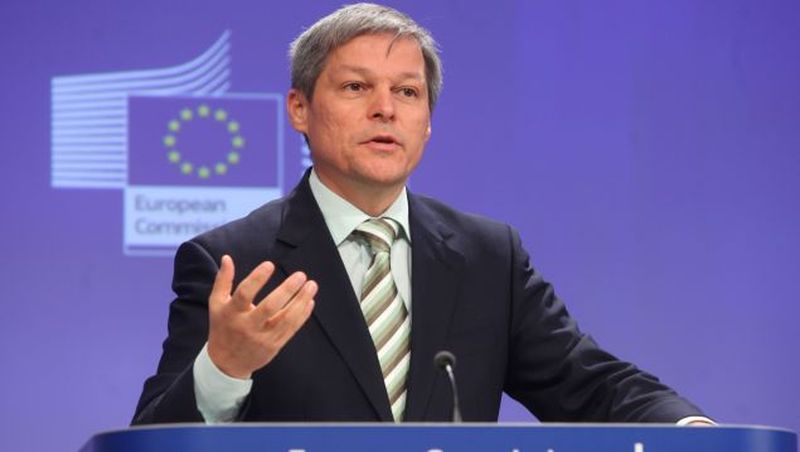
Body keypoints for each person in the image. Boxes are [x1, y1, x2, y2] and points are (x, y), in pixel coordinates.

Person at [133, 3, 712, 425]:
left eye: (407, 92)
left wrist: (695, 431)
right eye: (356, 87)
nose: (385, 109)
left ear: (428, 121)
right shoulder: (234, 262)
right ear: (299, 109)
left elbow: (589, 385)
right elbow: (152, 440)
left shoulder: (488, 257)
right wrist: (224, 367)